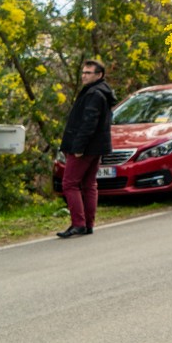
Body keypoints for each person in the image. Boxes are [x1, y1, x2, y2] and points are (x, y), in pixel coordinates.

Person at [57, 59, 116, 239]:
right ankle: (88, 224)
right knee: (89, 184)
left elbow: (89, 123)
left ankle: (78, 223)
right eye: (83, 72)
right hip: (95, 147)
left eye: (88, 73)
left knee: (69, 183)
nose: (84, 75)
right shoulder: (99, 93)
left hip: (84, 147)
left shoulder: (94, 94)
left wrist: (79, 147)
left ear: (99, 75)